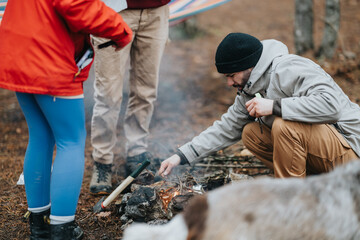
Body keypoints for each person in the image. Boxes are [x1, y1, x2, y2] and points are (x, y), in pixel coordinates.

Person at [0, 0, 132, 239]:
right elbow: (77, 4)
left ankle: (38, 226)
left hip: (19, 53)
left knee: (41, 136)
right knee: (71, 140)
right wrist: (119, 29)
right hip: (49, 56)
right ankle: (62, 229)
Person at [159, 32, 360, 179]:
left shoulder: (290, 67)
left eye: (231, 76)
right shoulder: (249, 87)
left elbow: (331, 105)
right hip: (327, 155)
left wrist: (275, 106)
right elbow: (226, 127)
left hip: (351, 152)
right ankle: (310, 183)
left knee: (284, 126)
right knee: (250, 133)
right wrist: (181, 156)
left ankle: (293, 201)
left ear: (249, 66)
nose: (229, 83)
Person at [89, 0, 170, 195]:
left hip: (157, 11)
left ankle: (136, 153)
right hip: (113, 11)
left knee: (146, 90)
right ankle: (102, 162)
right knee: (108, 95)